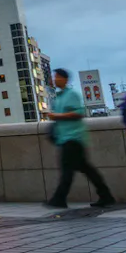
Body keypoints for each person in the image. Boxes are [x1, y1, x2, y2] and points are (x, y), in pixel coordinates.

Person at [44, 68, 115, 209]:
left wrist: (57, 116)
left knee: (68, 171)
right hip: (66, 139)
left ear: (64, 79)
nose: (54, 79)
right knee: (86, 169)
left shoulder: (72, 95)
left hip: (73, 138)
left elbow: (79, 112)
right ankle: (106, 195)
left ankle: (59, 199)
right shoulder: (59, 97)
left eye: (57, 76)